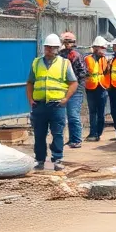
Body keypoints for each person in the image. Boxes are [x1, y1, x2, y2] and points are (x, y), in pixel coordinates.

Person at [27, 33, 78, 172]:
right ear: (44, 48)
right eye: (47, 47)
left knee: (57, 133)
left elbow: (73, 83)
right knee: (39, 134)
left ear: (58, 49)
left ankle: (57, 158)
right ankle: (40, 160)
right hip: (39, 105)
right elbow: (30, 82)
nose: (49, 50)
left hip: (56, 105)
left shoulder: (64, 63)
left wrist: (65, 99)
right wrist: (31, 100)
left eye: (52, 48)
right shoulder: (36, 63)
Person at [60, 32, 88, 149]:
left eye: (70, 42)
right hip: (63, 88)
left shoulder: (76, 55)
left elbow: (83, 73)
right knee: (66, 115)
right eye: (66, 42)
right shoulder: (60, 55)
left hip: (75, 89)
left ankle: (76, 139)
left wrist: (74, 83)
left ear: (74, 43)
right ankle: (72, 139)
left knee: (73, 114)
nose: (68, 44)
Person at [84, 37, 110, 142]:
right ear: (95, 48)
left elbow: (106, 73)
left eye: (104, 48)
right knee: (92, 112)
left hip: (102, 87)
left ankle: (98, 133)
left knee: (101, 113)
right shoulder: (87, 59)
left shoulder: (105, 59)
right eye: (102, 48)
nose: (103, 50)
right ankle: (93, 133)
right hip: (91, 88)